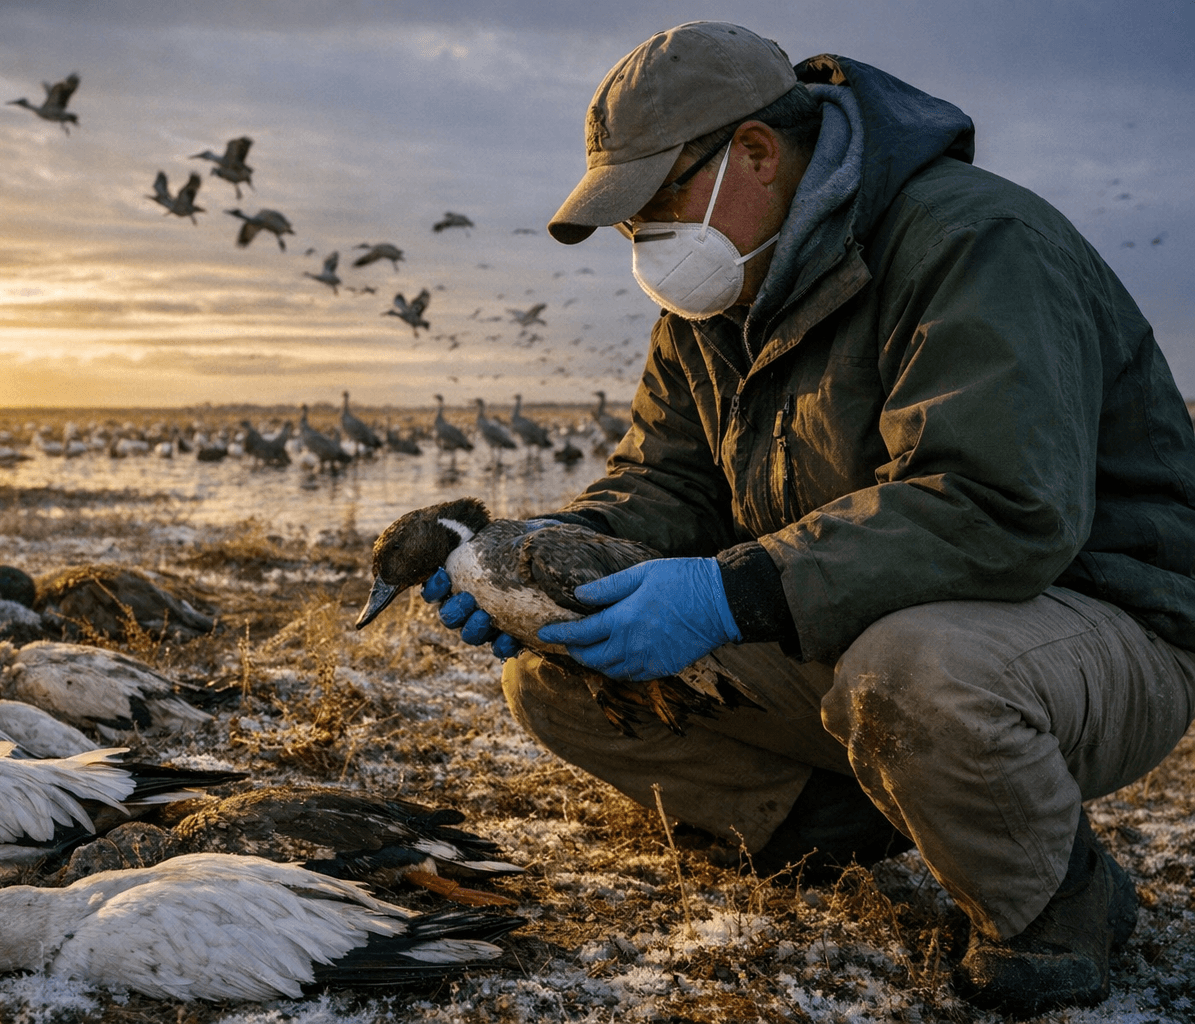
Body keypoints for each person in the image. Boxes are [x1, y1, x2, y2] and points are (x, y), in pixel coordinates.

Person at [426, 21, 1195, 1016]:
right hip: (855, 616)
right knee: (559, 671)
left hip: (1095, 624)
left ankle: (1054, 898)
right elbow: (663, 485)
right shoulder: (712, 309)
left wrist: (729, 592)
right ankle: (844, 821)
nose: (643, 240)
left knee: (915, 672)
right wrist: (537, 562)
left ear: (755, 150)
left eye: (657, 200)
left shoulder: (974, 241)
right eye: (626, 221)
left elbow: (1001, 508)